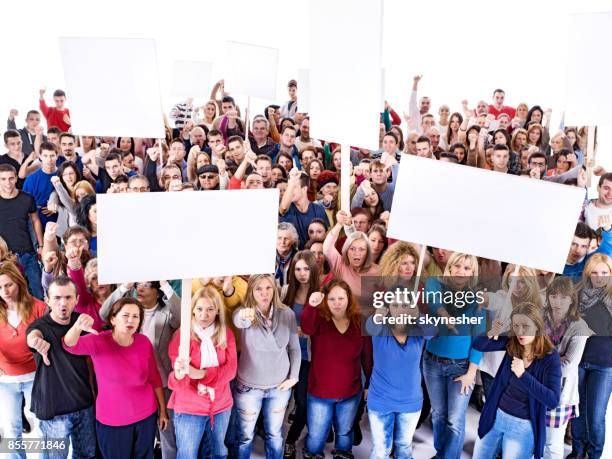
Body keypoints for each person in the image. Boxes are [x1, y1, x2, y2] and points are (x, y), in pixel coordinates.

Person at [63, 297, 169, 459]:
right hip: (113, 421)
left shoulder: (143, 341)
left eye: (136, 316)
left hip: (147, 416)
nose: (130, 320)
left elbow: (154, 378)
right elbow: (69, 345)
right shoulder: (98, 341)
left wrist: (163, 411)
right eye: (125, 315)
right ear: (113, 319)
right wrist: (77, 327)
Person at [100, 279, 180, 459]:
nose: (140, 288)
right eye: (138, 284)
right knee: (141, 438)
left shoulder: (166, 313)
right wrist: (124, 287)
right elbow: (104, 313)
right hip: (135, 386)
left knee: (167, 432)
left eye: (147, 285)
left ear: (158, 292)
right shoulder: (129, 312)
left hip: (162, 382)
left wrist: (165, 284)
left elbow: (182, 316)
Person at [472, 302, 561, 459]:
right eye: (516, 326)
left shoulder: (550, 357)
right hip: (495, 416)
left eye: (525, 326)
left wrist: (523, 375)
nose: (520, 331)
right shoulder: (512, 342)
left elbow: (552, 400)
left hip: (523, 427)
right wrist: (491, 332)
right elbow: (479, 345)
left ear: (537, 326)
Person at [423, 253, 486, 459]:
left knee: (455, 420)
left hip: (460, 367)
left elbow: (479, 340)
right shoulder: (435, 285)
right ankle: (441, 454)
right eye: (457, 266)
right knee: (439, 415)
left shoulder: (478, 300)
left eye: (467, 268)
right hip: (432, 362)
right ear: (449, 268)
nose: (461, 271)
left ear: (473, 273)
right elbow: (434, 303)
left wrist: (471, 373)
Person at [26, 276, 97, 459]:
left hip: (84, 405)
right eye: (57, 298)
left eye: (68, 297)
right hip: (54, 410)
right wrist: (35, 342)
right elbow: (33, 336)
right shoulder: (39, 326)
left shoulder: (80, 322)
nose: (62, 303)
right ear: (47, 300)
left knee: (86, 454)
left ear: (76, 299)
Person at [301, 280, 372, 459]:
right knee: (316, 436)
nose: (337, 302)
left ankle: (342, 453)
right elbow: (307, 327)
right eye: (332, 299)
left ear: (349, 298)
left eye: (341, 298)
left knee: (345, 432)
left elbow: (367, 358)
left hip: (350, 392)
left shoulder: (360, 322)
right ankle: (312, 454)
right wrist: (311, 305)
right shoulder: (319, 318)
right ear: (326, 300)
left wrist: (369, 384)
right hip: (320, 393)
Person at [232, 274, 301, 459]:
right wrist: (245, 315)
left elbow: (294, 348)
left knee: (275, 435)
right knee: (245, 438)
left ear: (275, 290)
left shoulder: (287, 314)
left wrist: (293, 376)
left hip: (279, 387)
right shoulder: (244, 312)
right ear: (251, 291)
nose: (264, 293)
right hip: (249, 388)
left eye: (268, 288)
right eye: (258, 289)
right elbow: (239, 320)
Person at [167, 286, 238, 459]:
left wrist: (201, 374)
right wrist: (179, 374)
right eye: (199, 309)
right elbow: (178, 381)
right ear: (192, 310)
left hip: (221, 406)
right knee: (187, 455)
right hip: (189, 408)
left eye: (209, 309)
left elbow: (231, 370)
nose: (203, 315)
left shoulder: (225, 334)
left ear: (217, 311)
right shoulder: (182, 336)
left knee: (219, 453)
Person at [365, 290, 435, 459]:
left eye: (405, 305)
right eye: (395, 305)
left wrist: (418, 315)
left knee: (404, 446)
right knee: (381, 449)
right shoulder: (380, 328)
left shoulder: (418, 331)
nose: (400, 309)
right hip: (380, 400)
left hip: (410, 402)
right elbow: (370, 327)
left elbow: (432, 332)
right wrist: (378, 315)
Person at [542, 277, 592, 459]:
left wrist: (543, 353)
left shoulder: (579, 327)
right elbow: (527, 349)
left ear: (571, 299)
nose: (558, 302)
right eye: (553, 296)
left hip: (560, 394)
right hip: (534, 386)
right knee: (532, 436)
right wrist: (556, 356)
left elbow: (569, 365)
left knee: (552, 444)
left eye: (563, 297)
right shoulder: (540, 317)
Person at [0, 262, 47, 458]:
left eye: (8, 285)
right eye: (0, 287)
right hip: (6, 381)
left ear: (19, 282)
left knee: (42, 429)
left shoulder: (39, 308)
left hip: (34, 377)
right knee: (11, 430)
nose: (4, 291)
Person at [569, 254, 612, 459]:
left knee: (595, 417)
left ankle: (594, 455)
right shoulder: (578, 293)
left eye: (604, 273)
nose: (599, 277)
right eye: (594, 272)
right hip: (577, 360)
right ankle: (578, 452)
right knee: (577, 411)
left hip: (604, 364)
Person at [281, 251, 321, 459]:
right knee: (282, 402)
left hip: (309, 357)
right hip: (284, 356)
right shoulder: (285, 291)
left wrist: (307, 330)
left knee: (303, 404)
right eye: (298, 269)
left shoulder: (320, 294)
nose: (302, 273)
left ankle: (291, 441)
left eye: (306, 268)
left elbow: (324, 326)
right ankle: (274, 436)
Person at [0, 163, 44, 299]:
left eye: (11, 178)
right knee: (12, 297)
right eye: (3, 179)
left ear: (16, 178)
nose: (8, 182)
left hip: (28, 253)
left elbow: (36, 221)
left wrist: (41, 246)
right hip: (5, 258)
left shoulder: (27, 198)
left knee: (38, 293)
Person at [323, 210, 380, 300]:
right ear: (346, 251)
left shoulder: (378, 271)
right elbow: (327, 248)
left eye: (361, 249)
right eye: (352, 249)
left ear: (367, 252)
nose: (356, 253)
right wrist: (339, 224)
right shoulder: (341, 265)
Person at [279, 170, 330, 248]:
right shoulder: (287, 208)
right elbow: (283, 208)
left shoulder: (318, 209)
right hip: (293, 258)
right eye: (289, 188)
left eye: (294, 187)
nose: (290, 191)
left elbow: (327, 237)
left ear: (304, 189)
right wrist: (292, 182)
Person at [22, 141, 59, 228]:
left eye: (52, 156)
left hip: (60, 222)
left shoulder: (64, 175)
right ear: (40, 157)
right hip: (37, 222)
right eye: (45, 156)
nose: (49, 159)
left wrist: (56, 207)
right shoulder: (32, 179)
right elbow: (24, 204)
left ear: (57, 156)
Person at [47, 161, 80, 238]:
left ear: (76, 174)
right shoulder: (56, 192)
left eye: (71, 173)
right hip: (64, 234)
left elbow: (72, 209)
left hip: (81, 232)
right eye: (65, 174)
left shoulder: (82, 188)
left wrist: (57, 184)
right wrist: (51, 202)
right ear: (61, 177)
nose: (68, 177)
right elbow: (54, 195)